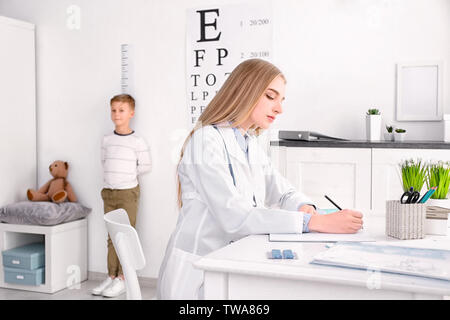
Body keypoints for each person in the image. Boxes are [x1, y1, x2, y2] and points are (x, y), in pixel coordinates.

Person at [157, 59, 363, 300]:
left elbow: (283, 192)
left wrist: (304, 207)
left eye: (281, 100)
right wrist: (314, 223)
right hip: (197, 271)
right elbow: (235, 217)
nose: (279, 109)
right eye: (270, 96)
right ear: (245, 91)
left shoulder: (250, 145)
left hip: (232, 260)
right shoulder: (205, 141)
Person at [92, 94, 152, 297]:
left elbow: (145, 166)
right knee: (111, 236)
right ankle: (111, 276)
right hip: (109, 192)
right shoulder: (107, 140)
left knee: (125, 235)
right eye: (114, 110)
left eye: (121, 110)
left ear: (131, 113)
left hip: (128, 192)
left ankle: (123, 278)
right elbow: (104, 162)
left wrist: (126, 177)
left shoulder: (137, 141)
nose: (117, 114)